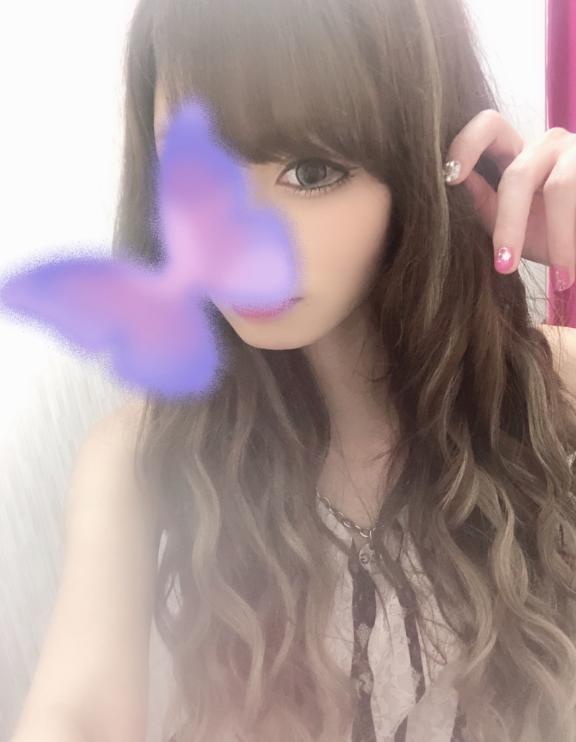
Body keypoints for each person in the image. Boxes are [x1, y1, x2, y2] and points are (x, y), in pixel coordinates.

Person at [10, 0, 576, 741]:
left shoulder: (556, 391)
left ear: (423, 162)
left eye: (310, 171)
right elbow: (79, 716)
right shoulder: (143, 457)